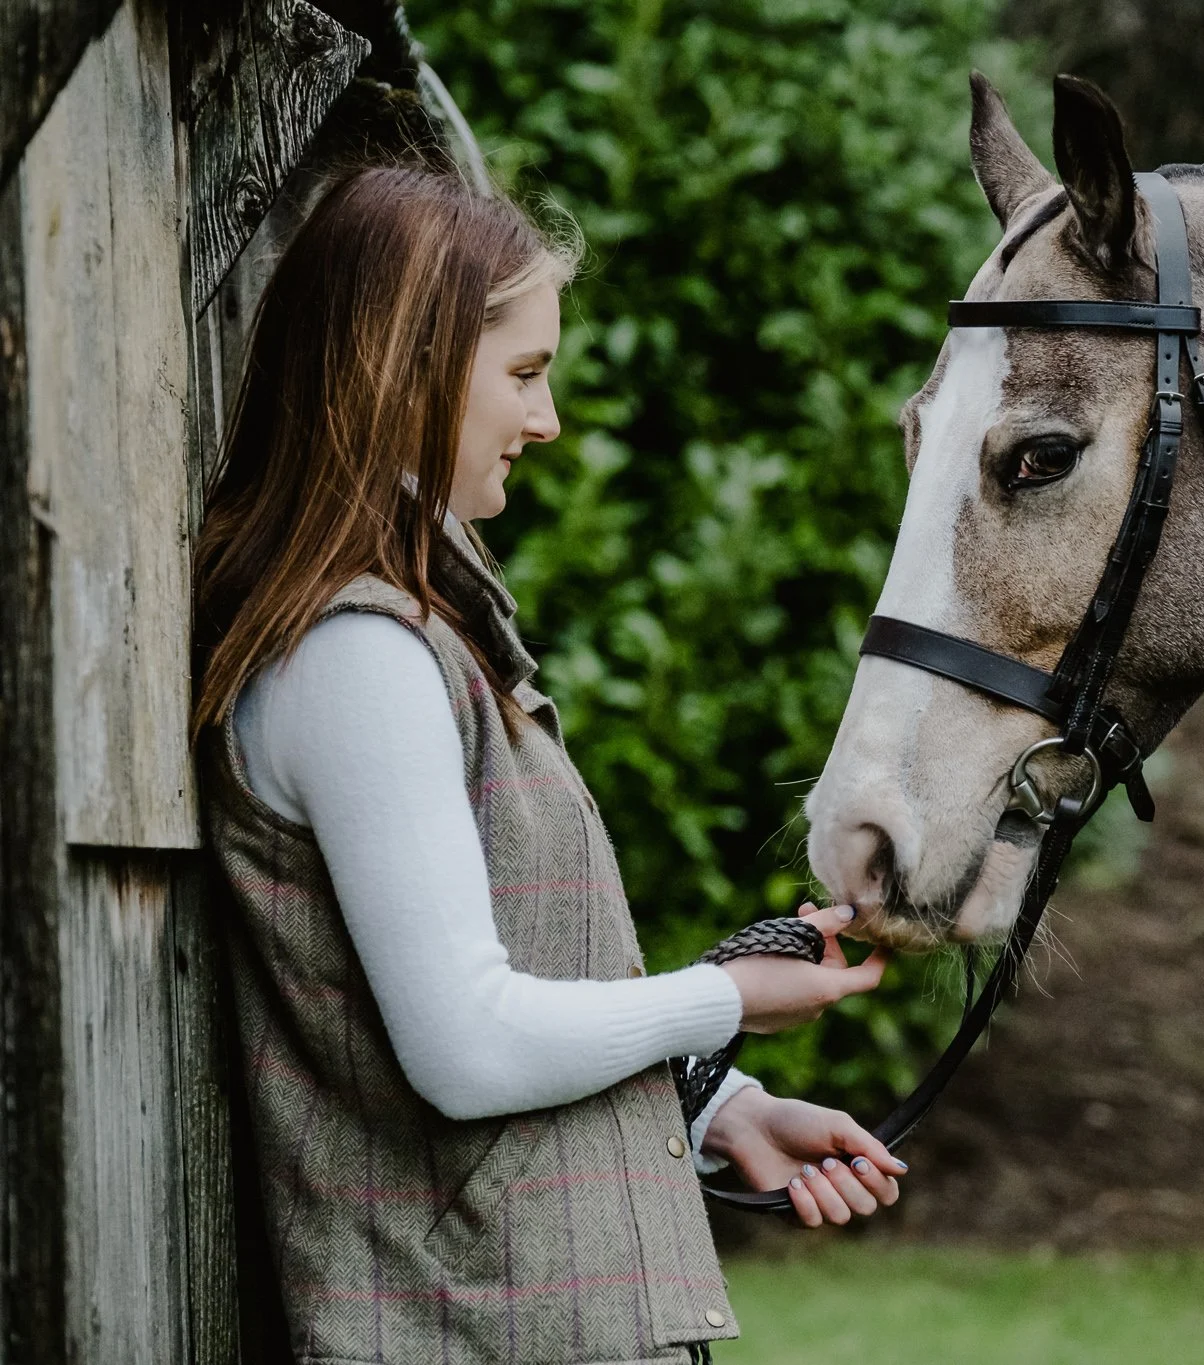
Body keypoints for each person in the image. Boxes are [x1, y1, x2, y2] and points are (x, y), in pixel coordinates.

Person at [191, 164, 900, 1365]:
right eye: (523, 372)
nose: (548, 420)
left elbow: (498, 988)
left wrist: (721, 1108)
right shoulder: (355, 657)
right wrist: (730, 998)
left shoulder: (415, 636)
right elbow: (465, 1048)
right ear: (401, 368)